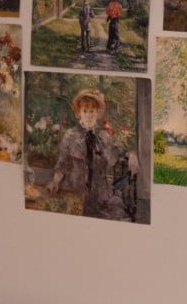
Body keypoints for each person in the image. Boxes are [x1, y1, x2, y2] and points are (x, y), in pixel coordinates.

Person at [46, 87, 140, 221]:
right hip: (76, 193)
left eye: (92, 111)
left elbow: (121, 152)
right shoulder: (70, 136)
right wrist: (55, 181)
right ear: (79, 112)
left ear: (98, 113)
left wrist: (132, 156)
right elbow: (62, 163)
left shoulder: (104, 137)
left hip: (100, 196)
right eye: (85, 111)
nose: (89, 115)